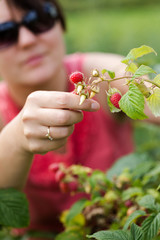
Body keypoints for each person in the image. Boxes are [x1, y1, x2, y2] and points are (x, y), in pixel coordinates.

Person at [0, 0, 159, 236]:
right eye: (5, 33)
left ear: (60, 23)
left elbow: (135, 81)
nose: (28, 40)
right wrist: (15, 140)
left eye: (39, 20)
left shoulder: (99, 75)